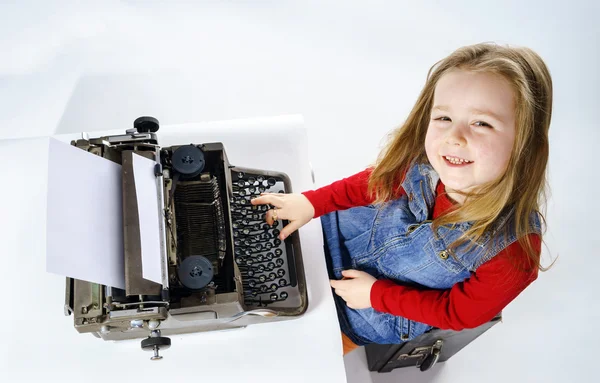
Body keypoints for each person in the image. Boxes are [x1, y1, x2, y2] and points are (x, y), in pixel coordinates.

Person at [251, 42, 553, 355]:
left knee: (286, 354)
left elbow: (459, 312)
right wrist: (311, 203)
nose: (454, 137)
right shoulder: (429, 160)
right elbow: (373, 183)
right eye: (444, 118)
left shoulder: (513, 248)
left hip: (363, 311)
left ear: (524, 142)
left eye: (482, 123)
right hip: (329, 239)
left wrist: (376, 295)